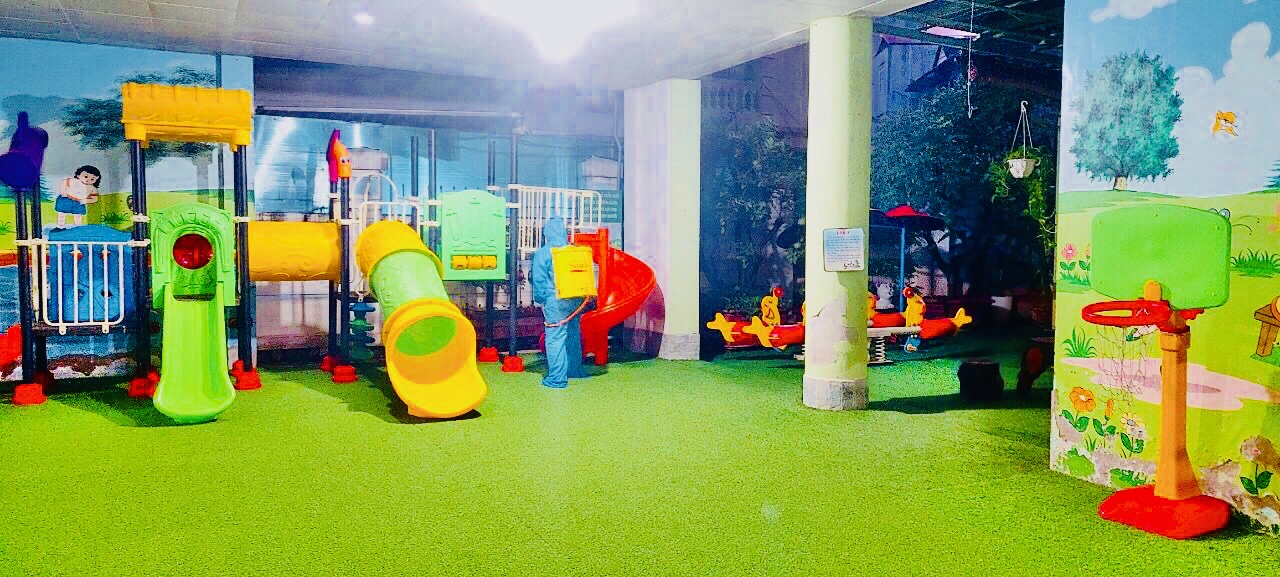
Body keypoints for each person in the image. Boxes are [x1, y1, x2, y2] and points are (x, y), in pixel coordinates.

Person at [531, 218, 589, 389]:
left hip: (556, 301)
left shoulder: (544, 253)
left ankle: (557, 378)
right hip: (577, 300)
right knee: (573, 335)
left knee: (555, 337)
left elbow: (539, 280)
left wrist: (540, 299)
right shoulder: (573, 250)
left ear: (547, 233)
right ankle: (575, 370)